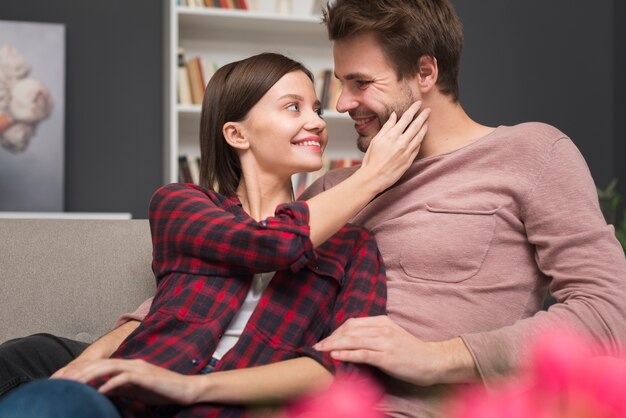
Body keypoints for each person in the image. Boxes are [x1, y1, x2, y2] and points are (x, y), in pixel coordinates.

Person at [2, 1, 626, 417]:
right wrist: (107, 347)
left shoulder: (529, 153)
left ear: (426, 72)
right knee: (21, 361)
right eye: (336, 82)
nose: (339, 102)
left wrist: (442, 355)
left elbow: (609, 312)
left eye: (359, 82)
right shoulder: (332, 189)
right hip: (226, 356)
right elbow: (229, 273)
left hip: (352, 397)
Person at [0, 52, 429, 417]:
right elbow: (272, 245)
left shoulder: (353, 247)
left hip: (229, 407)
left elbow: (343, 368)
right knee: (47, 396)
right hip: (130, 400)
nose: (318, 122)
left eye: (316, 109)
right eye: (293, 107)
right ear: (236, 134)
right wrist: (372, 176)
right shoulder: (182, 205)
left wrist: (192, 388)